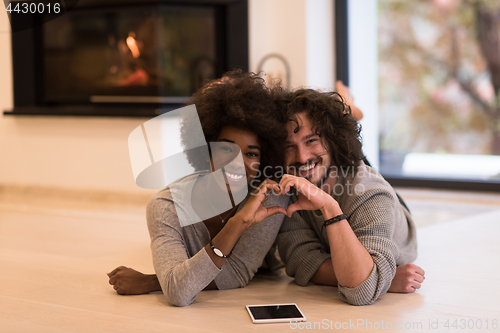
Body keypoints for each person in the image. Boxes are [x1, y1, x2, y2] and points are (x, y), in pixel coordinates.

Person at [108, 71, 289, 306]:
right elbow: (180, 294)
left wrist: (156, 281)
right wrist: (238, 223)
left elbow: (236, 273)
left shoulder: (269, 197)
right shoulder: (166, 207)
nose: (238, 163)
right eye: (226, 149)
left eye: (251, 153)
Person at [275, 88, 424, 306]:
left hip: (392, 214)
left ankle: (346, 109)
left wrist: (329, 207)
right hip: (338, 175)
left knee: (356, 164)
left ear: (331, 139)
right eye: (289, 146)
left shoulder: (371, 193)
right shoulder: (290, 186)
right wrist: (381, 279)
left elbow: (361, 291)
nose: (301, 156)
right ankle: (345, 109)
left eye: (312, 140)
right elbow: (300, 261)